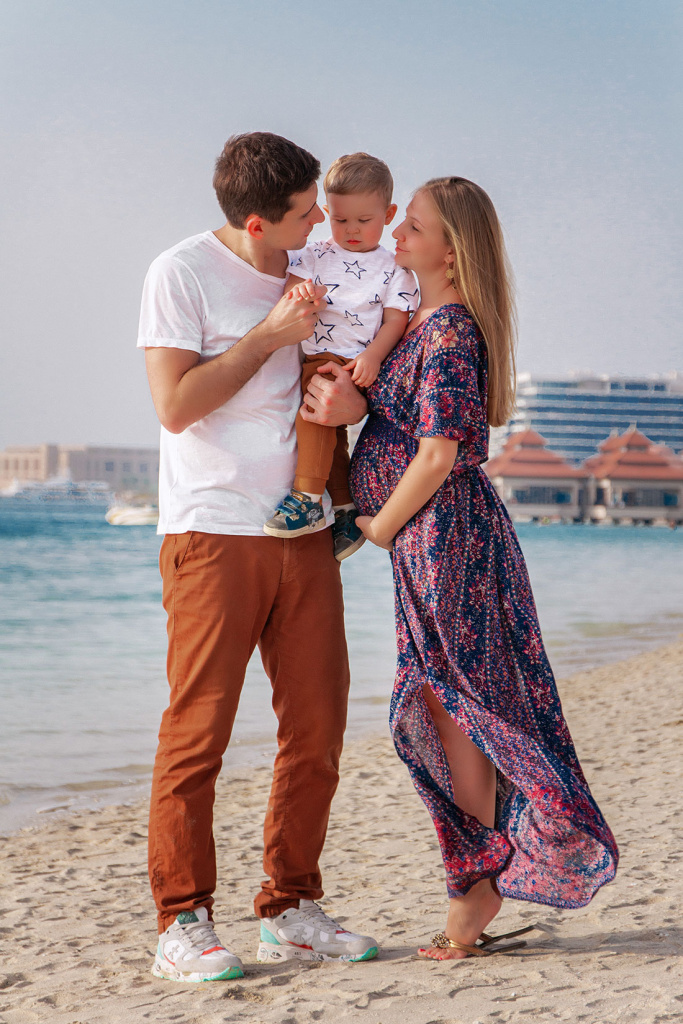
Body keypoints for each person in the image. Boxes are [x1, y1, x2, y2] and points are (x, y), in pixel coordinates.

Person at [347, 177, 619, 960]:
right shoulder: (419, 324)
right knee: (448, 708)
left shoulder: (449, 333)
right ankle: (476, 879)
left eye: (413, 226)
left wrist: (377, 527)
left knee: (457, 708)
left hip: (444, 542)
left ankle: (474, 891)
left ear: (450, 250)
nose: (396, 233)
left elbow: (438, 454)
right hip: (431, 542)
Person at [137, 131, 376, 983]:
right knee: (197, 733)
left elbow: (352, 362)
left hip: (302, 531)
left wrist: (349, 403)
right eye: (305, 213)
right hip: (211, 532)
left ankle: (290, 908)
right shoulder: (181, 273)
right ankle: (182, 921)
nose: (319, 224)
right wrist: (268, 335)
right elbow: (175, 406)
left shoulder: (314, 264)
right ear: (254, 221)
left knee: (316, 727)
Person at [263, 152, 418, 561]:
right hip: (316, 355)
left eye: (364, 220)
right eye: (340, 219)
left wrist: (374, 356)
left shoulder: (395, 268)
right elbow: (291, 292)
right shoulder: (315, 254)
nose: (351, 230)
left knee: (313, 415)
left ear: (388, 215)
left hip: (354, 363)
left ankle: (307, 498)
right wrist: (301, 294)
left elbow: (396, 321)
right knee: (330, 438)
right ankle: (346, 511)